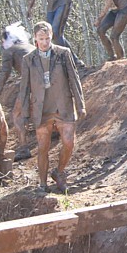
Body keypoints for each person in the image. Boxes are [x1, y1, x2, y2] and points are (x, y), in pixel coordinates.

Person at [18, 21, 86, 193]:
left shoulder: (63, 54)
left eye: (47, 38)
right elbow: (24, 88)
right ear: (35, 39)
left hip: (63, 105)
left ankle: (59, 171)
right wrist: (25, 113)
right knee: (42, 147)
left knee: (69, 142)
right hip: (41, 109)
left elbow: (74, 79)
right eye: (41, 38)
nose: (45, 42)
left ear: (52, 36)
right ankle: (42, 183)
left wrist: (80, 105)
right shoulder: (28, 60)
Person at [0, 23, 36, 161]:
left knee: (17, 115)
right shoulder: (31, 47)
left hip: (31, 84)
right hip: (49, 82)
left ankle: (24, 148)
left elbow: (5, 72)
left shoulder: (10, 51)